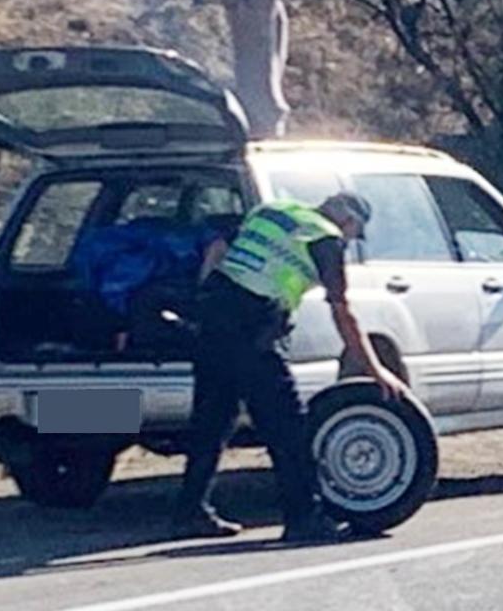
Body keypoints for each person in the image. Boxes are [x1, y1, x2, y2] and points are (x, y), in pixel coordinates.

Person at [171, 190, 409, 541]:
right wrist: (375, 370)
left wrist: (205, 296)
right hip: (255, 325)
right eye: (353, 234)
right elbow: (342, 311)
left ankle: (190, 512)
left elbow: (217, 247)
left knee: (211, 421)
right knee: (287, 428)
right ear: (348, 221)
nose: (349, 240)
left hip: (214, 315)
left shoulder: (273, 211)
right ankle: (303, 518)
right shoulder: (325, 239)